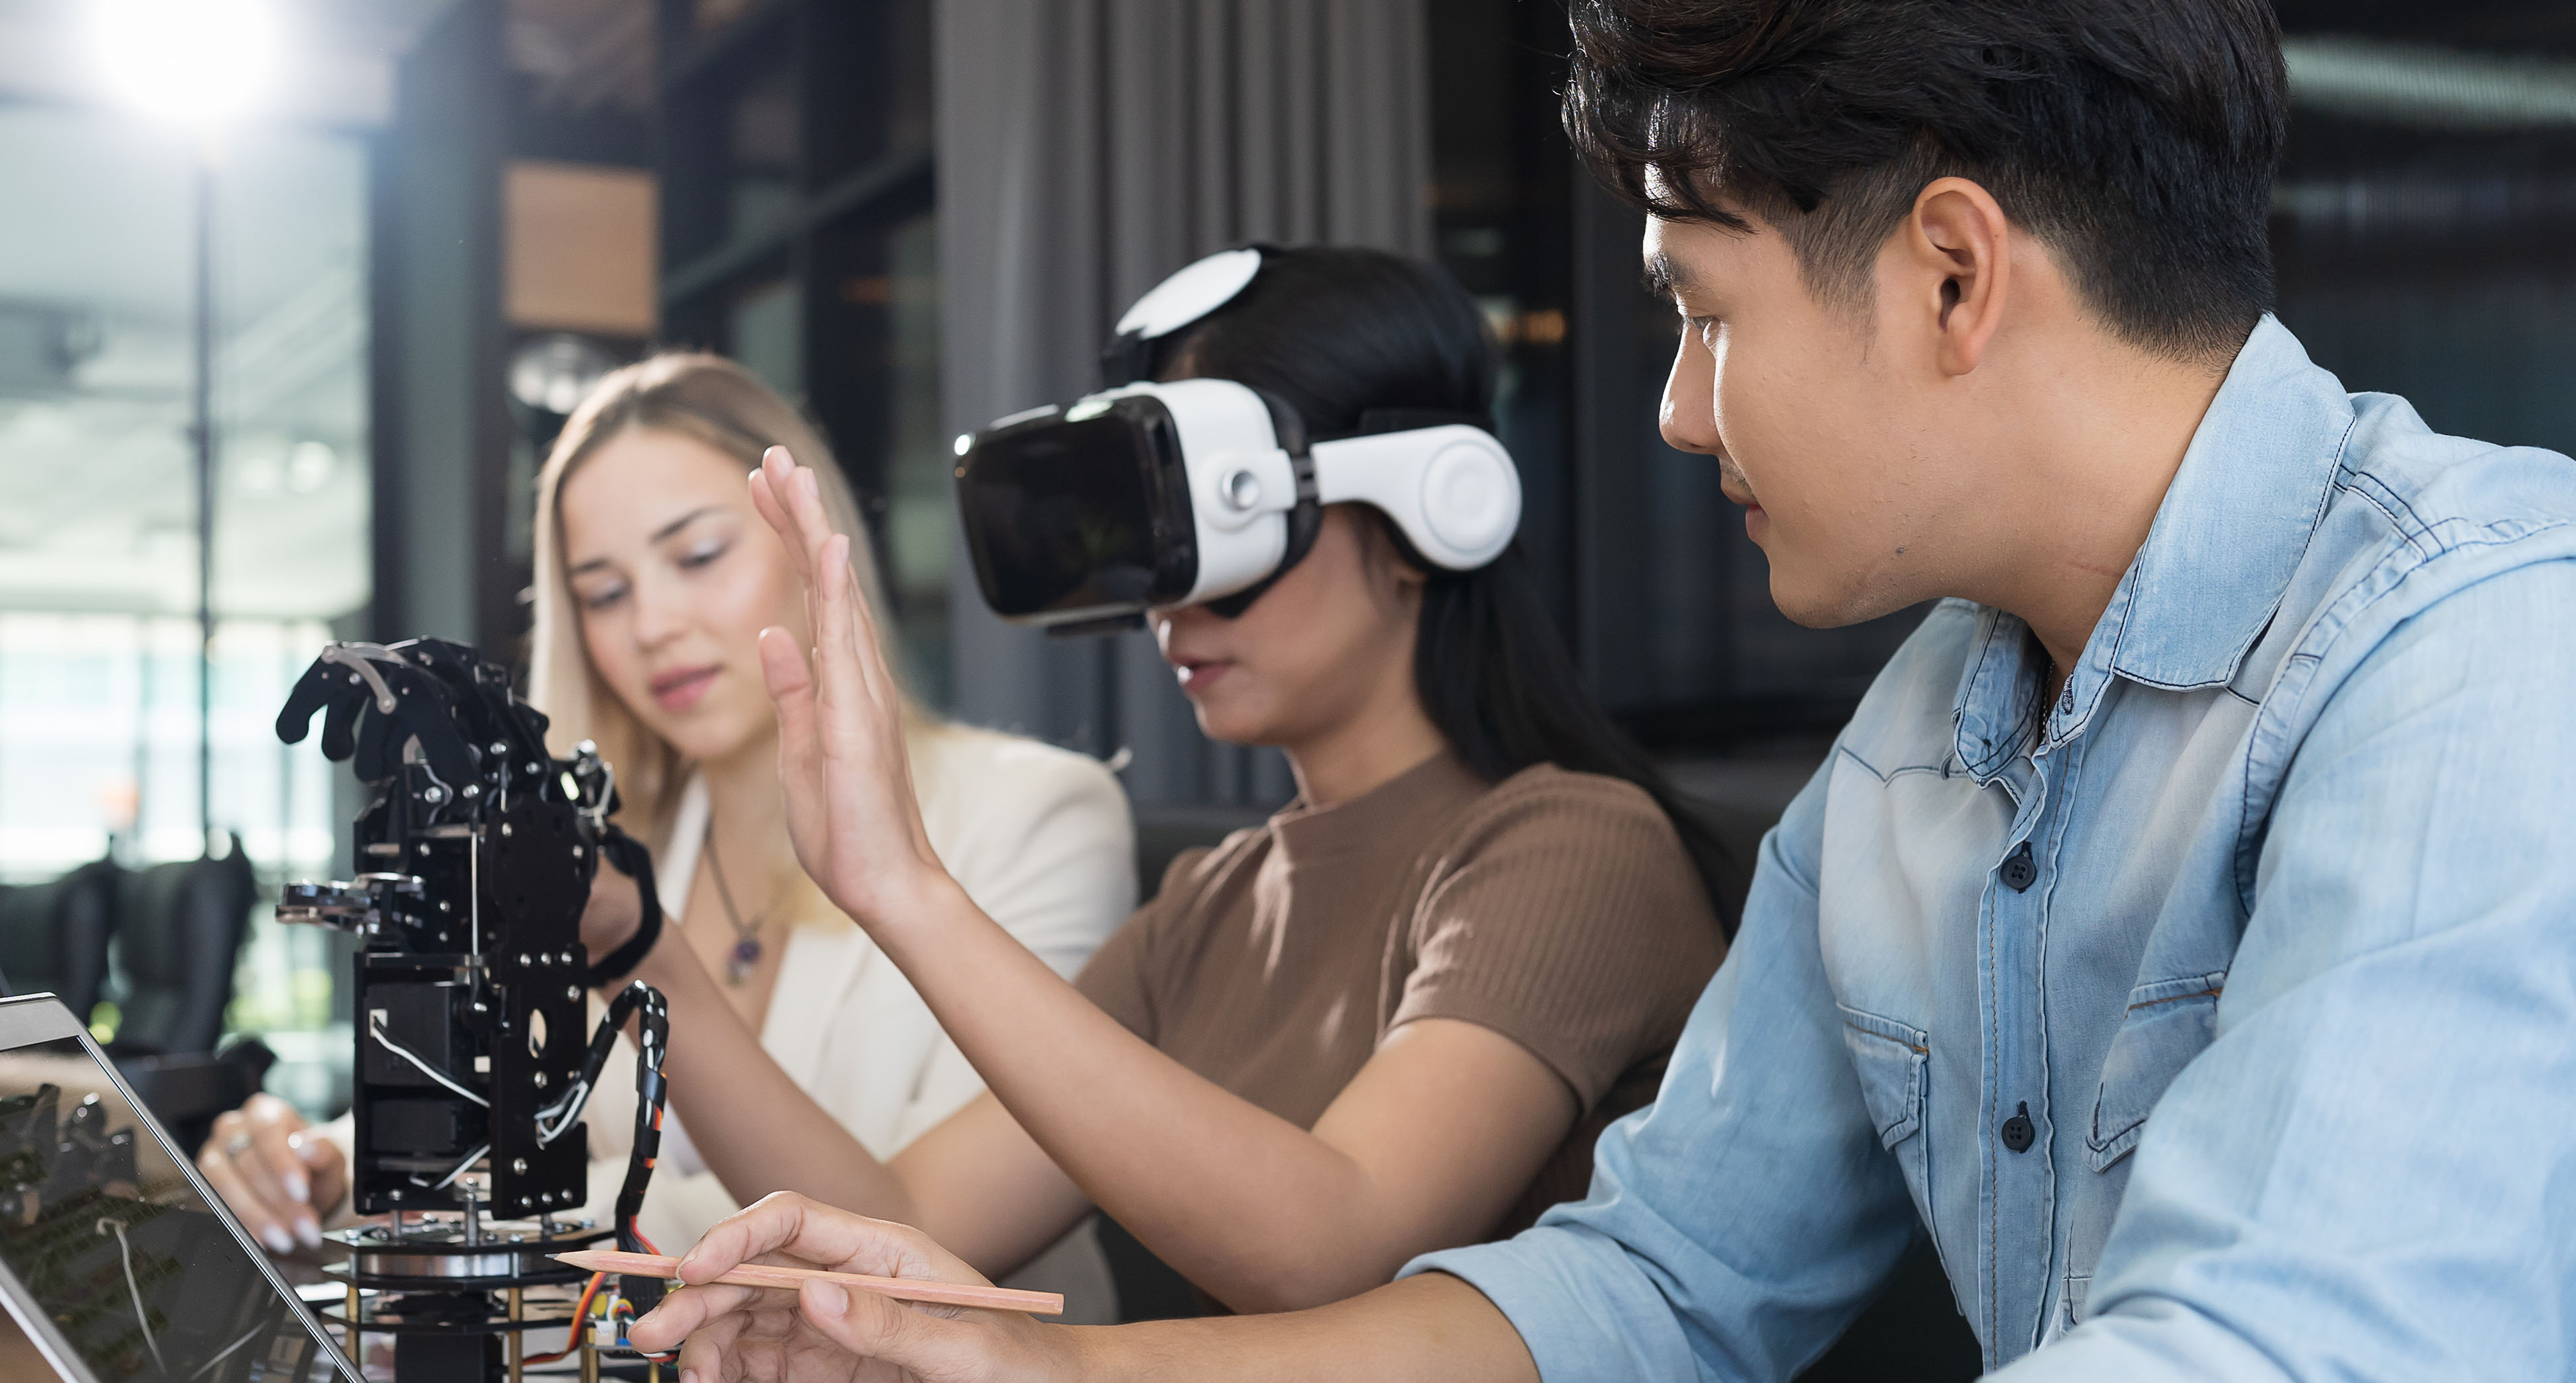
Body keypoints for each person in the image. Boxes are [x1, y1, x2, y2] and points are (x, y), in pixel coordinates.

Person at [622, 0, 2576, 1383]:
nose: (1668, 413)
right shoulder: (1923, 750)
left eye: (1701, 313)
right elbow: (1651, 1287)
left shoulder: (2514, 657)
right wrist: (1033, 1375)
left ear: (1949, 272)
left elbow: (2277, 1366)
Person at [576, 246, 1735, 1318]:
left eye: (1223, 535)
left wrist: (903, 886)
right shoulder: (1207, 911)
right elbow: (905, 1230)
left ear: (1428, 509)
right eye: (1147, 544)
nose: (1170, 604)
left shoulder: (1577, 848)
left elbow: (1339, 1241)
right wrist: (647, 950)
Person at [197, 354, 1139, 1279]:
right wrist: (323, 1163)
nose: (651, 624)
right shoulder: (633, 842)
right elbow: (492, 1110)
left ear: (812, 541)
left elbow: (921, 1251)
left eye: (697, 556)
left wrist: (483, 1195)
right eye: (604, 594)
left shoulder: (1039, 818)